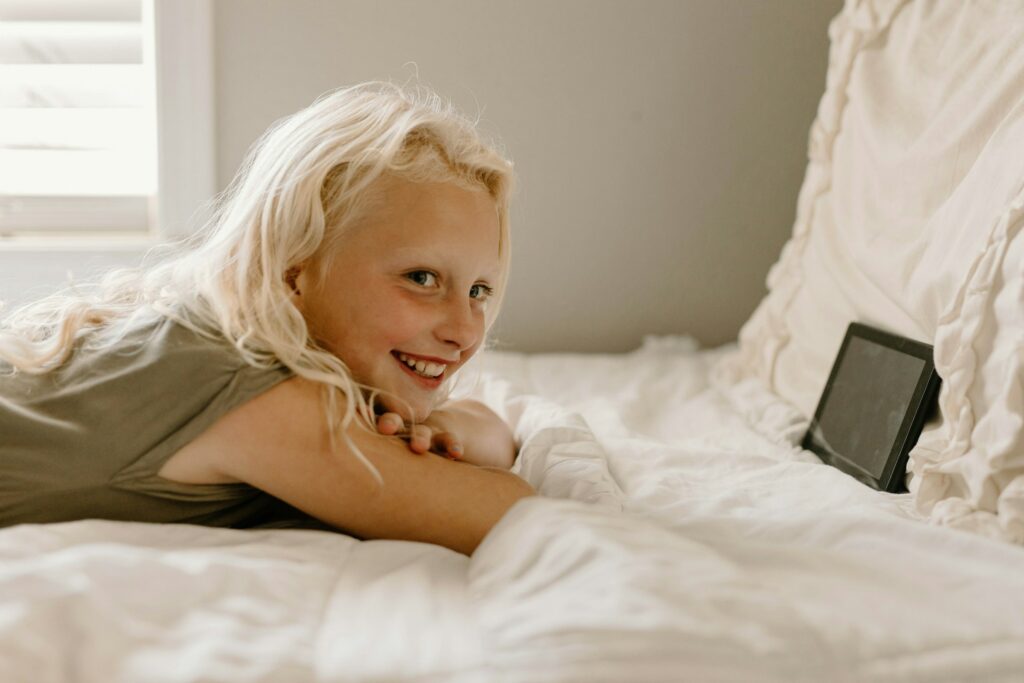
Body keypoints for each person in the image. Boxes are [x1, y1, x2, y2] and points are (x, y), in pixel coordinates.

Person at [0, 82, 536, 556]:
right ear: (292, 269)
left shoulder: (230, 347)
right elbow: (508, 513)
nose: (465, 331)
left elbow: (491, 432)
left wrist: (440, 426)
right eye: (421, 278)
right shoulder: (237, 378)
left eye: (479, 291)